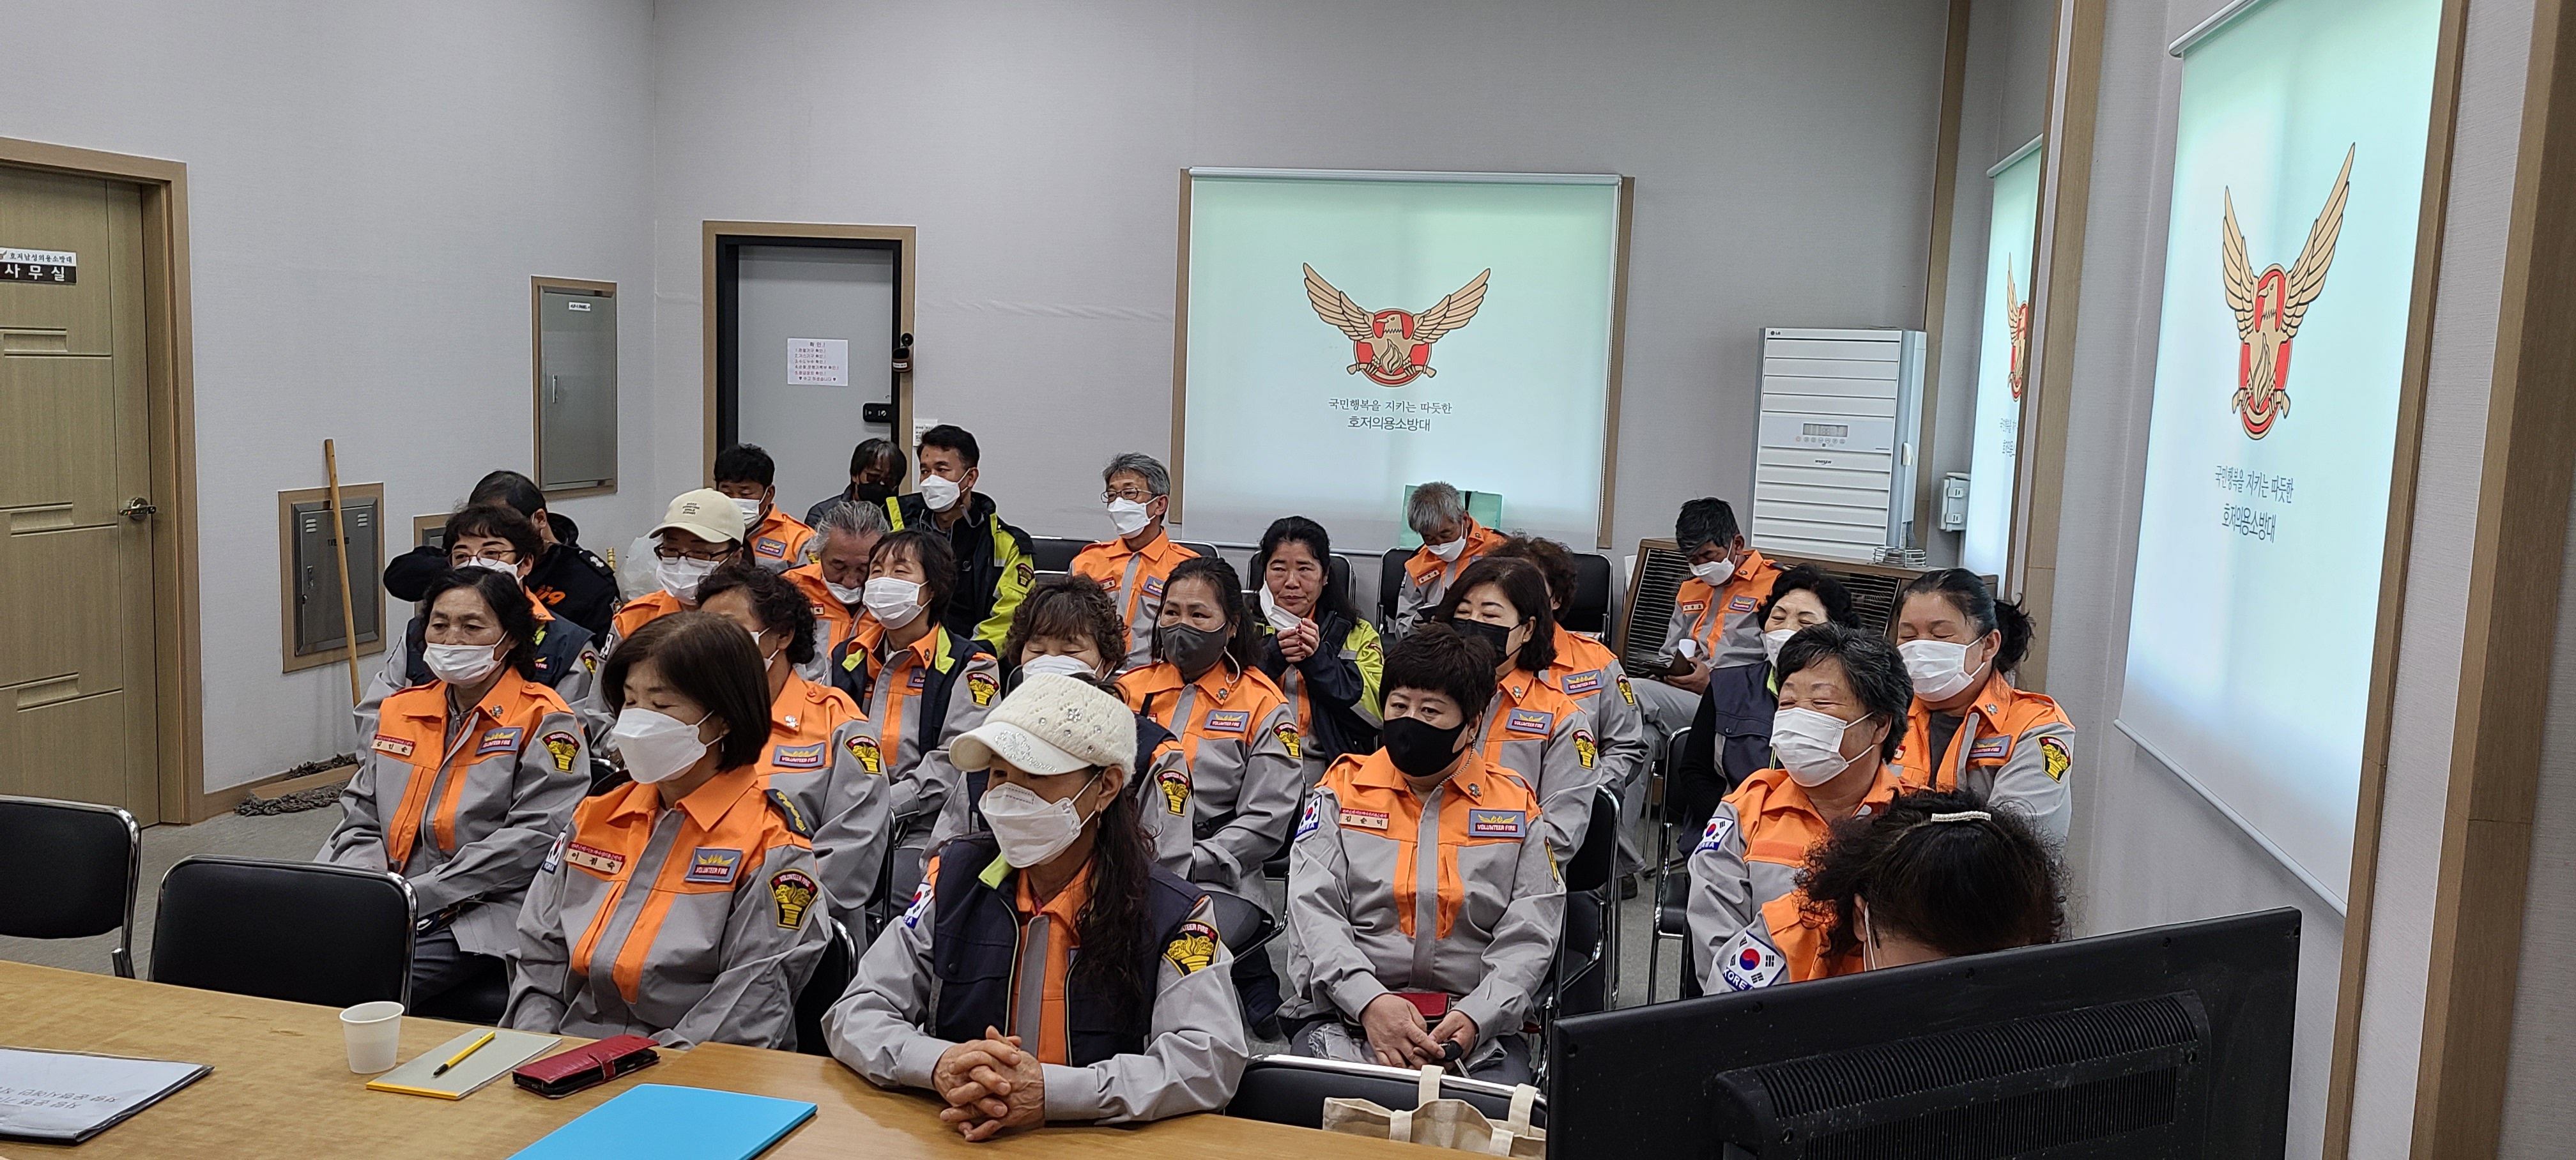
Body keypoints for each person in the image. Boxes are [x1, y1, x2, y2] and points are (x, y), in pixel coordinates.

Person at [825, 674, 1248, 1138]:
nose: (1010, 795)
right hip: (960, 1137)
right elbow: (857, 1010)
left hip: (1097, 1143)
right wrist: (939, 1063)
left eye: (1035, 776)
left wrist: (1056, 1092)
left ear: (1106, 786)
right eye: (999, 775)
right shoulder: (951, 881)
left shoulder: (1174, 913)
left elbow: (1209, 1059)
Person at [506, 612, 830, 1049]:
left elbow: (745, 1008)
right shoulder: (597, 813)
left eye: (661, 706)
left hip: (690, 1069)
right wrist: (533, 1046)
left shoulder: (770, 845)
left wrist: (629, 1068)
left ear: (724, 718)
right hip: (566, 1055)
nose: (638, 722)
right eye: (631, 701)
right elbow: (540, 954)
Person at [1282, 624, 1565, 1083]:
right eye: (1399, 706)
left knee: (1489, 1121)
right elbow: (1313, 912)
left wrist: (1478, 1017)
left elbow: (1532, 931)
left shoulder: (1516, 806)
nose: (1410, 721)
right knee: (1316, 1111)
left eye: (1430, 710)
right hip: (1348, 1014)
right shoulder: (1341, 791)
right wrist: (1369, 1002)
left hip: (1471, 1027)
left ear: (1472, 724)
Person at [322, 567, 588, 1005]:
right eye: (440, 625)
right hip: (390, 895)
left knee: (361, 984)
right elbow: (361, 814)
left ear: (511, 638)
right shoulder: (401, 710)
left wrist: (421, 894)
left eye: (472, 627)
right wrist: (370, 888)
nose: (452, 640)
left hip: (486, 906)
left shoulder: (546, 720)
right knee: (289, 953)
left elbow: (535, 838)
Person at [1117, 555, 1300, 1030]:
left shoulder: (1264, 703)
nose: (1182, 625)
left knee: (1157, 948)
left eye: (1199, 615)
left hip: (1218, 874)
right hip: (1120, 857)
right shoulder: (1127, 690)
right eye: (1172, 612)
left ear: (1231, 625)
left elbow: (1267, 820)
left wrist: (1191, 859)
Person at [1685, 623, 1909, 994]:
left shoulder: (1912, 822)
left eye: (1821, 704)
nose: (1798, 717)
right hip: (1764, 1015)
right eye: (1788, 703)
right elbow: (1719, 962)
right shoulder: (1745, 811)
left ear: (1879, 725)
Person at [930, 574, 1191, 871]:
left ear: (1106, 663)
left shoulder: (1154, 752)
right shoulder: (992, 740)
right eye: (1037, 650)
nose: (1050, 661)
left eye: (1071, 651)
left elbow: (1170, 870)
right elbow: (943, 849)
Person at [698, 563, 890, 933]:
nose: (711, 646)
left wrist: (752, 915)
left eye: (728, 630)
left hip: (797, 925)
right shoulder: (693, 717)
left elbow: (849, 854)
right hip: (692, 915)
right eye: (702, 632)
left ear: (782, 635)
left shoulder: (838, 725)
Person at [825, 528, 1002, 871]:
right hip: (843, 812)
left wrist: (888, 803)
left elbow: (957, 758)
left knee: (898, 886)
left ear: (931, 589)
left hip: (925, 822)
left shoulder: (972, 666)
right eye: (877, 571)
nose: (883, 581)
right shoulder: (847, 656)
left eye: (900, 571)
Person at [356, 503, 604, 747]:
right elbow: (374, 713)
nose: (475, 565)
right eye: (462, 556)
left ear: (525, 563)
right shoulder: (420, 631)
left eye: (491, 554)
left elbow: (570, 739)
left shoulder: (567, 644)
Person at [1487, 535, 1650, 890]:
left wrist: (1583, 788)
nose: (1520, 597)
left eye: (1531, 587)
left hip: (1578, 808)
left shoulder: (1597, 662)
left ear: (1556, 599)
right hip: (1493, 812)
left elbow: (1628, 746)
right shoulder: (1486, 661)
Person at [1787, 788, 2063, 981]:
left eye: (1988, 979)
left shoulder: (2042, 973)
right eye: (1925, 980)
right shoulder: (1788, 947)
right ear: (1862, 919)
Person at [1670, 565, 1861, 831]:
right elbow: (1695, 771)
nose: (1787, 629)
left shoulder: (1851, 699)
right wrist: (1732, 825)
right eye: (1778, 617)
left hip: (1813, 831)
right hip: (1728, 828)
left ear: (1835, 632)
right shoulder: (1727, 684)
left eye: (1805, 622)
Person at [1432, 558, 1599, 860]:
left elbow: (1560, 834)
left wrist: (1481, 867)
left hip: (1511, 873)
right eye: (1464, 613)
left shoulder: (1562, 718)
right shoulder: (1426, 699)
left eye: (1490, 616)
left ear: (1527, 630)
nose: (1473, 624)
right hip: (1426, 858)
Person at [1892, 569, 2073, 844]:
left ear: (1988, 645)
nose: (1921, 648)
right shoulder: (1887, 713)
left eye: (1940, 635)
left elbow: (2008, 843)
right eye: (1908, 636)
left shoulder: (2035, 726)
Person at [383, 469, 620, 637]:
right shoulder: (468, 560)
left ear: (539, 519)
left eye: (503, 528)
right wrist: (470, 566)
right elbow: (399, 578)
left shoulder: (588, 580)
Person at [1630, 498, 1783, 736]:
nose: (1701, 566)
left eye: (1708, 555)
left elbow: (1779, 670)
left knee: (1629, 691)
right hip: (1687, 698)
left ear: (1737, 544)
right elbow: (1669, 654)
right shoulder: (1690, 589)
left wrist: (1715, 682)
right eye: (1693, 560)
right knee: (1645, 737)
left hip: (1739, 705)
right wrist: (1670, 674)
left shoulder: (1777, 585)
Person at [1250, 516, 1382, 786]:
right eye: (1279, 569)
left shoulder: (1357, 633)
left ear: (1325, 576)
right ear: (1264, 573)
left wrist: (1319, 662)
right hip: (1252, 767)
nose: (1291, 582)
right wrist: (1271, 658)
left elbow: (1376, 716)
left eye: (1305, 569)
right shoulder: (1239, 629)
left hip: (1331, 771)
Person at [880, 425, 1034, 651]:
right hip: (903, 650)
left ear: (970, 477)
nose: (931, 480)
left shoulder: (1005, 543)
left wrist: (967, 656)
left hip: (973, 655)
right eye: (925, 471)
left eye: (942, 470)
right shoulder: (895, 525)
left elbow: (1011, 616)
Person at [1070, 452, 1200, 671]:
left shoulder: (1189, 568)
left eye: (1130, 493)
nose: (1118, 503)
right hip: (1094, 677)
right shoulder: (1086, 562)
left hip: (1161, 680)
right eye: (1112, 495)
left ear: (1160, 505)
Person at [600, 488, 749, 659]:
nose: (682, 563)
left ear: (735, 557)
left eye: (700, 552)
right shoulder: (634, 619)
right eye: (671, 550)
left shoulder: (754, 620)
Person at [782, 498, 891, 678]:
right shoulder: (790, 589)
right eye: (839, 566)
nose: (850, 581)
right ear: (818, 553)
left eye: (864, 568)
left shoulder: (895, 597)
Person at [1386, 481, 1506, 637]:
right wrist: (1417, 624)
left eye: (1446, 534)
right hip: (1435, 644)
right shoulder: (1417, 565)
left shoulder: (1499, 548)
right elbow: (1402, 627)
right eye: (1429, 538)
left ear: (1465, 519)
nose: (1440, 544)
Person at [714, 443, 818, 572]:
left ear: (769, 494)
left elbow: (812, 582)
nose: (735, 500)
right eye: (727, 493)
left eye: (745, 494)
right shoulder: (705, 529)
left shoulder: (800, 538)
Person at [804, 437, 909, 530]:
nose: (881, 484)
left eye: (889, 480)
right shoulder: (823, 514)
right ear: (855, 475)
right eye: (874, 477)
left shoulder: (905, 516)